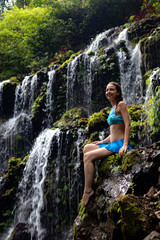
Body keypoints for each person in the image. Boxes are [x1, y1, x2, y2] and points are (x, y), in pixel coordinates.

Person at [82, 81, 132, 207]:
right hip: (111, 142)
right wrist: (103, 141)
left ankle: (88, 190)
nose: (108, 92)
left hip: (118, 144)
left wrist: (125, 145)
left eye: (111, 89)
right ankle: (91, 179)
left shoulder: (121, 105)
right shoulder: (112, 109)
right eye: (107, 90)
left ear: (118, 92)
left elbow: (127, 125)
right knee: (87, 148)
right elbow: (115, 129)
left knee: (88, 157)